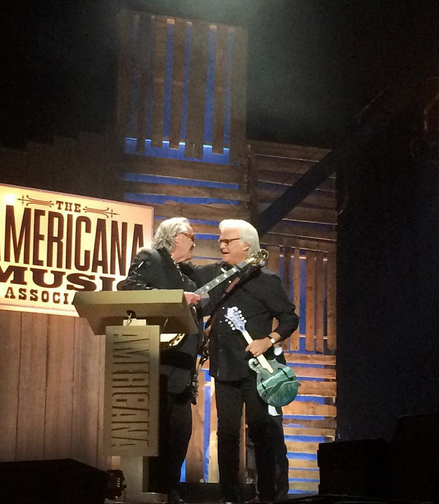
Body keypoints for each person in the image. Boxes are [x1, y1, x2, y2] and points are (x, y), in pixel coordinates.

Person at [184, 219, 299, 503]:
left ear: (246, 245)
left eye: (228, 241)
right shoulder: (215, 275)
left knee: (262, 432)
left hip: (258, 371)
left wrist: (269, 339)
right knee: (226, 434)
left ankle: (268, 495)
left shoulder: (266, 280)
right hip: (224, 369)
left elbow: (289, 318)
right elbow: (188, 274)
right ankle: (229, 496)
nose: (221, 245)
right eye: (221, 240)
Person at [122, 217, 202, 504]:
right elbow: (131, 288)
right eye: (191, 236)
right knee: (155, 434)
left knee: (179, 435)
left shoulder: (188, 276)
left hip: (182, 370)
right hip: (156, 363)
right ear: (176, 236)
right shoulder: (151, 257)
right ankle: (156, 492)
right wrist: (177, 298)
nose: (195, 242)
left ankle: (169, 489)